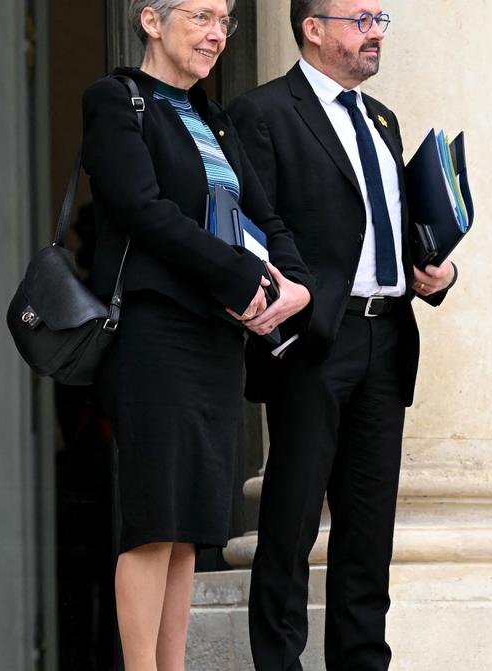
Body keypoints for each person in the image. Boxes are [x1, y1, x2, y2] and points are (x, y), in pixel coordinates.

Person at [227, 1, 459, 669]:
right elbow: (256, 228)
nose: (375, 32)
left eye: (379, 19)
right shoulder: (264, 113)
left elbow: (400, 224)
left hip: (387, 340)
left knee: (367, 532)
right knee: (291, 524)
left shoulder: (381, 119)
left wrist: (436, 271)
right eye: (361, 19)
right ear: (313, 27)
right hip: (313, 343)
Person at [82, 1, 312, 668]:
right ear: (151, 20)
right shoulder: (116, 99)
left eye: (225, 21)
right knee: (154, 522)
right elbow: (142, 210)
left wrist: (295, 283)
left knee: (189, 529)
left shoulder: (213, 115)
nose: (217, 34)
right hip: (153, 337)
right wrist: (241, 276)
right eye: (202, 16)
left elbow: (267, 214)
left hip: (215, 341)